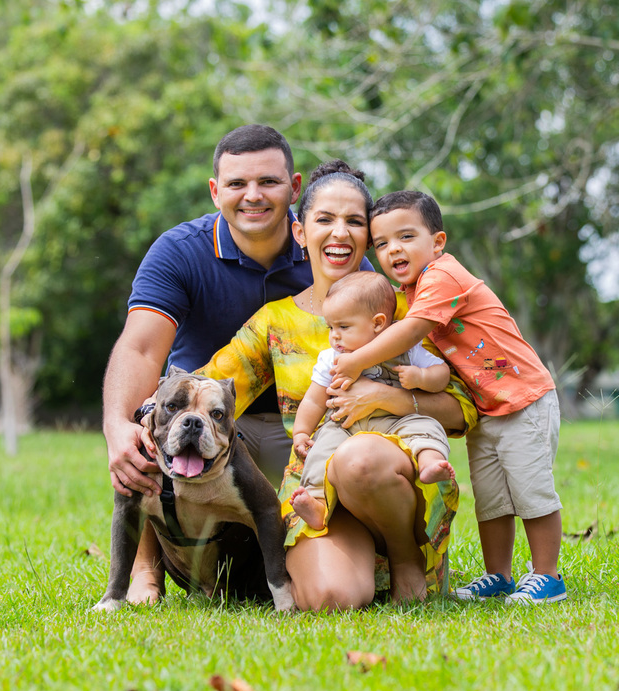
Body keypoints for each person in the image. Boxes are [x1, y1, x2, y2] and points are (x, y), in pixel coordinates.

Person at [186, 161, 478, 608]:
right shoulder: (277, 321)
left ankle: (405, 558)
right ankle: (352, 560)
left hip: (392, 479)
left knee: (359, 459)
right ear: (300, 233)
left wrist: (389, 397)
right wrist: (146, 413)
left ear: (368, 237)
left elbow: (464, 409)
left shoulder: (408, 314)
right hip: (317, 484)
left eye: (354, 222)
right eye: (324, 220)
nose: (339, 233)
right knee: (329, 598)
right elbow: (210, 385)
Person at [102, 124, 316, 603]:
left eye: (268, 181)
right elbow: (140, 348)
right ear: (216, 191)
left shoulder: (327, 243)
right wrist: (117, 426)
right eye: (238, 183)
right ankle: (145, 571)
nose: (253, 195)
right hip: (207, 418)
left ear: (294, 187)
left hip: (302, 423)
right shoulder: (179, 250)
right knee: (147, 433)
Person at [331, 190, 566, 605]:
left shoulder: (442, 276)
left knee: (531, 491)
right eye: (381, 243)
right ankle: (498, 575)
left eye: (406, 236)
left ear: (437, 242)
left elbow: (410, 332)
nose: (393, 249)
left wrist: (356, 361)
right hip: (488, 408)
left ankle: (548, 576)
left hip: (523, 398)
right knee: (492, 499)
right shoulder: (409, 291)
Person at [289, 270, 456, 532]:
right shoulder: (330, 358)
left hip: (397, 421)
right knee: (321, 449)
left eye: (343, 327)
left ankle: (430, 462)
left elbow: (442, 374)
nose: (335, 336)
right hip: (344, 425)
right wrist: (301, 432)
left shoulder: (405, 349)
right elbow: (313, 400)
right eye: (331, 327)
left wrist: (421, 377)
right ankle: (317, 503)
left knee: (426, 427)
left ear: (378, 323)